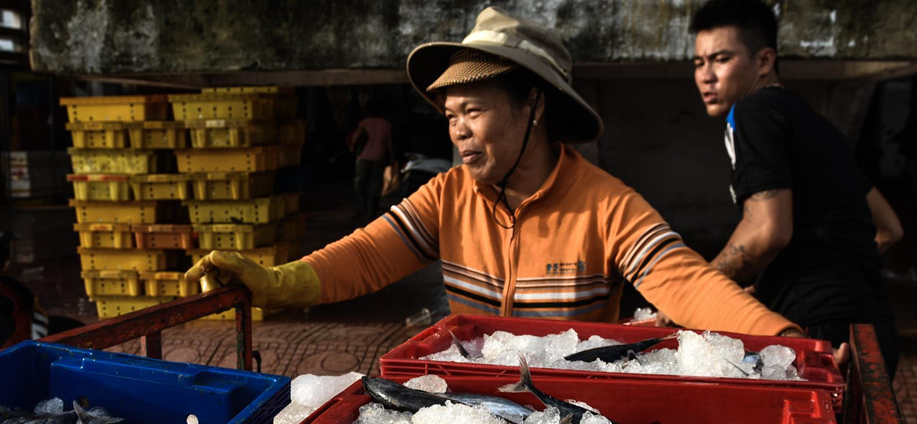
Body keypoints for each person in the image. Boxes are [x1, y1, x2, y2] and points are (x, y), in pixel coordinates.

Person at [187, 6, 802, 339]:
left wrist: (790, 344)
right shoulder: (449, 196)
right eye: (450, 114)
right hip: (474, 411)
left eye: (473, 110)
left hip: (571, 418)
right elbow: (363, 256)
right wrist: (275, 283)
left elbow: (689, 286)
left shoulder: (606, 206)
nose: (456, 129)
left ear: (533, 105)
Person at [689, 0, 902, 374]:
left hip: (818, 335)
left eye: (720, 59)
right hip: (873, 331)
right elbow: (889, 228)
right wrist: (784, 279)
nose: (706, 75)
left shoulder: (751, 112)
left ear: (764, 61)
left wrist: (695, 292)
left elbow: (767, 231)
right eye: (698, 62)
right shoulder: (822, 129)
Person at [348, 101, 395, 220]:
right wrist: (391, 157)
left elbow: (356, 137)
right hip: (379, 157)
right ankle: (372, 211)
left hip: (364, 156)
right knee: (376, 184)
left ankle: (361, 207)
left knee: (360, 183)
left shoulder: (364, 123)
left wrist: (352, 148)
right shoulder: (386, 124)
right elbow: (389, 143)